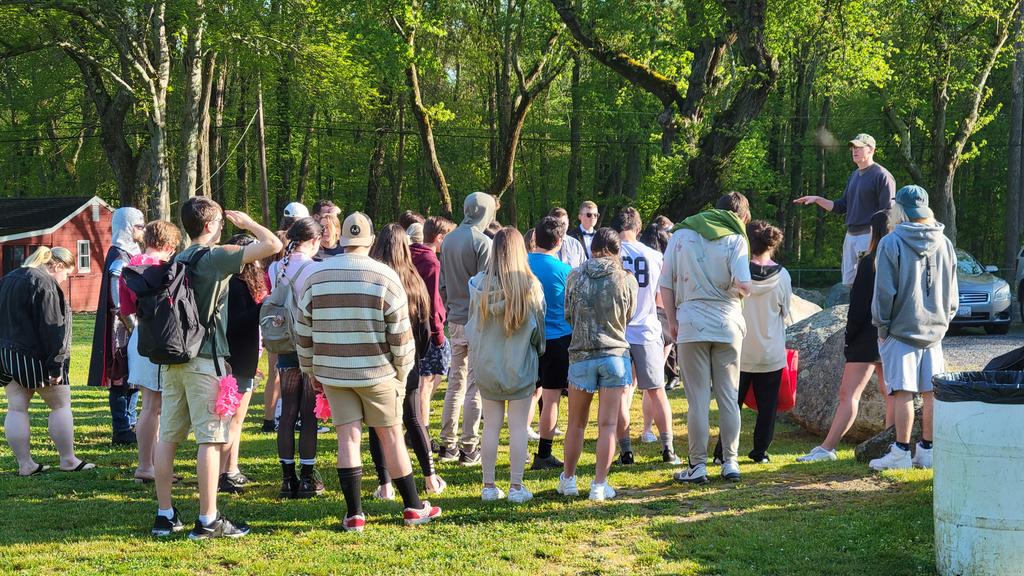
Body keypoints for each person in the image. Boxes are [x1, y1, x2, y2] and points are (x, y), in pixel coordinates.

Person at [296, 212, 441, 532]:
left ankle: (354, 514)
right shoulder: (385, 277)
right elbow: (402, 338)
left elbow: (302, 330)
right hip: (378, 372)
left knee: (347, 438)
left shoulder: (315, 276)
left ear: (343, 240)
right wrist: (401, 376)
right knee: (391, 438)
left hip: (334, 372)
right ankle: (413, 506)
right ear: (369, 240)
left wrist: (311, 370)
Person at [151, 197, 281, 539]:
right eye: (220, 224)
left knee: (167, 437)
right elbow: (274, 245)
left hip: (173, 359)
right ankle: (208, 520)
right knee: (210, 439)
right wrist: (249, 224)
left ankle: (165, 515)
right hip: (205, 359)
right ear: (210, 226)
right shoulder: (214, 258)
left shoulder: (175, 258)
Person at [662, 192, 752, 485]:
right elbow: (743, 284)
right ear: (740, 216)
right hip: (727, 322)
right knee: (728, 396)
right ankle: (730, 462)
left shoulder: (682, 234)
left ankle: (697, 465)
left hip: (691, 322)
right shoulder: (737, 238)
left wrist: (673, 322)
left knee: (697, 400)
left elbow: (665, 284)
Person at [868, 186, 957, 471]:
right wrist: (943, 322)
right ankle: (928, 450)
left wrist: (882, 328)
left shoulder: (891, 242)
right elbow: (953, 296)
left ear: (900, 210)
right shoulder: (945, 242)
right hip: (935, 332)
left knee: (903, 392)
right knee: (931, 392)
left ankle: (901, 451)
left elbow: (884, 293)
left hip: (900, 330)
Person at [797, 210, 895, 463]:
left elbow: (858, 306)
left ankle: (828, 447)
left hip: (866, 336)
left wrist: (849, 336)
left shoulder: (870, 262)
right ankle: (892, 443)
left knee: (848, 394)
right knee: (892, 393)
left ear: (874, 232)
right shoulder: (897, 262)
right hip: (891, 333)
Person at [367, 224, 447, 498]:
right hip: (408, 359)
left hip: (378, 360)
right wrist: (418, 356)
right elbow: (425, 327)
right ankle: (430, 478)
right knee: (413, 418)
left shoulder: (372, 279)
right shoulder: (414, 282)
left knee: (379, 423)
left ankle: (385, 484)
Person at [467, 227, 546, 503]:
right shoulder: (531, 286)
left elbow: (471, 328)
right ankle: (515, 486)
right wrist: (539, 350)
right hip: (520, 364)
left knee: (490, 426)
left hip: (488, 365)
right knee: (517, 427)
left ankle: (488, 486)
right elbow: (539, 330)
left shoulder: (477, 285)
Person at [1, 246, 94, 476]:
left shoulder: (8, 278)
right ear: (58, 266)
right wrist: (57, 365)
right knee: (60, 404)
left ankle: (25, 464)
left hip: (6, 354)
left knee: (16, 408)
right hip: (36, 356)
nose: (64, 280)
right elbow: (53, 328)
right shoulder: (44, 282)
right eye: (66, 274)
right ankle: (68, 459)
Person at [560, 229, 638, 501]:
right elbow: (629, 315)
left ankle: (568, 479)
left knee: (575, 425)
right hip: (615, 355)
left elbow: (568, 313)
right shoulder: (626, 279)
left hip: (581, 354)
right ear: (617, 251)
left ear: (592, 247)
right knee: (607, 425)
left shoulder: (574, 276)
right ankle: (599, 484)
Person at [712, 221, 792, 464]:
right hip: (770, 351)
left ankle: (722, 452)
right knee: (767, 409)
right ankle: (760, 452)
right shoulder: (783, 276)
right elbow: (785, 310)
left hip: (738, 349)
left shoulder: (737, 273)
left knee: (731, 405)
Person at [611, 208, 680, 466]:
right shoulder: (653, 255)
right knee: (656, 390)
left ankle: (626, 451)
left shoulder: (610, 254)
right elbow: (661, 299)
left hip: (619, 331)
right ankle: (668, 448)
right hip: (647, 328)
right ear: (638, 229)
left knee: (621, 392)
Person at [267, 217, 325, 499]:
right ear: (314, 241)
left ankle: (287, 478)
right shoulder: (315, 269)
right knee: (309, 412)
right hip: (309, 343)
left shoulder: (275, 267)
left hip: (285, 342)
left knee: (288, 411)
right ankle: (307, 477)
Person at [438, 192, 497, 465]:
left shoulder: (448, 239)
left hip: (454, 318)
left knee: (455, 383)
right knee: (474, 384)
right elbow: (486, 286)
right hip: (476, 321)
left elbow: (442, 283)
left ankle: (447, 444)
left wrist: (451, 306)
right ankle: (469, 446)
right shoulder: (482, 241)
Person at [121, 221, 181, 483]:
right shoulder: (162, 268)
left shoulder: (130, 264)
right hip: (160, 336)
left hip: (140, 334)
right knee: (154, 406)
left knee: (150, 404)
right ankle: (147, 466)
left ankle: (152, 463)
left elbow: (125, 310)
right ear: (168, 246)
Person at [793, 133, 896, 285]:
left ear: (871, 150)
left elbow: (888, 213)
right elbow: (841, 206)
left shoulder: (882, 175)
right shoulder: (854, 175)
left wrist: (877, 240)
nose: (855, 150)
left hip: (869, 236)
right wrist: (817, 199)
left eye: (859, 147)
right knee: (847, 283)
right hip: (850, 236)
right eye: (853, 147)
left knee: (868, 283)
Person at [88, 206, 145, 445]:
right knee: (120, 377)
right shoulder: (120, 257)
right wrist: (135, 327)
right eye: (140, 226)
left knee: (133, 377)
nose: (143, 231)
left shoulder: (130, 252)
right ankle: (122, 430)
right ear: (128, 227)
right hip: (120, 329)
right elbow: (120, 301)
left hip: (131, 326)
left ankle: (130, 424)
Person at [220, 234, 270, 494]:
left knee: (235, 419)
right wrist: (266, 307)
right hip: (234, 358)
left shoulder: (238, 283)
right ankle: (223, 472)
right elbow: (237, 322)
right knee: (231, 419)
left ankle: (232, 468)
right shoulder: (235, 285)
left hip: (243, 355)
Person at [527, 216, 573, 471]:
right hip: (557, 339)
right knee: (551, 398)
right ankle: (544, 453)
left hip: (525, 338)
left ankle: (519, 447)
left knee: (525, 396)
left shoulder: (520, 264)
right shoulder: (565, 271)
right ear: (559, 241)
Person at [409, 216, 455, 437]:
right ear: (439, 238)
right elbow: (432, 301)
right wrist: (437, 334)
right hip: (427, 328)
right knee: (426, 384)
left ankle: (414, 424)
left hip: (409, 326)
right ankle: (421, 432)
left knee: (423, 381)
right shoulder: (431, 263)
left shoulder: (408, 255)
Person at [638, 223, 679, 395]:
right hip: (662, 316)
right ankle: (648, 423)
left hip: (640, 318)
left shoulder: (638, 256)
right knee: (656, 381)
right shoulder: (663, 261)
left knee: (634, 381)